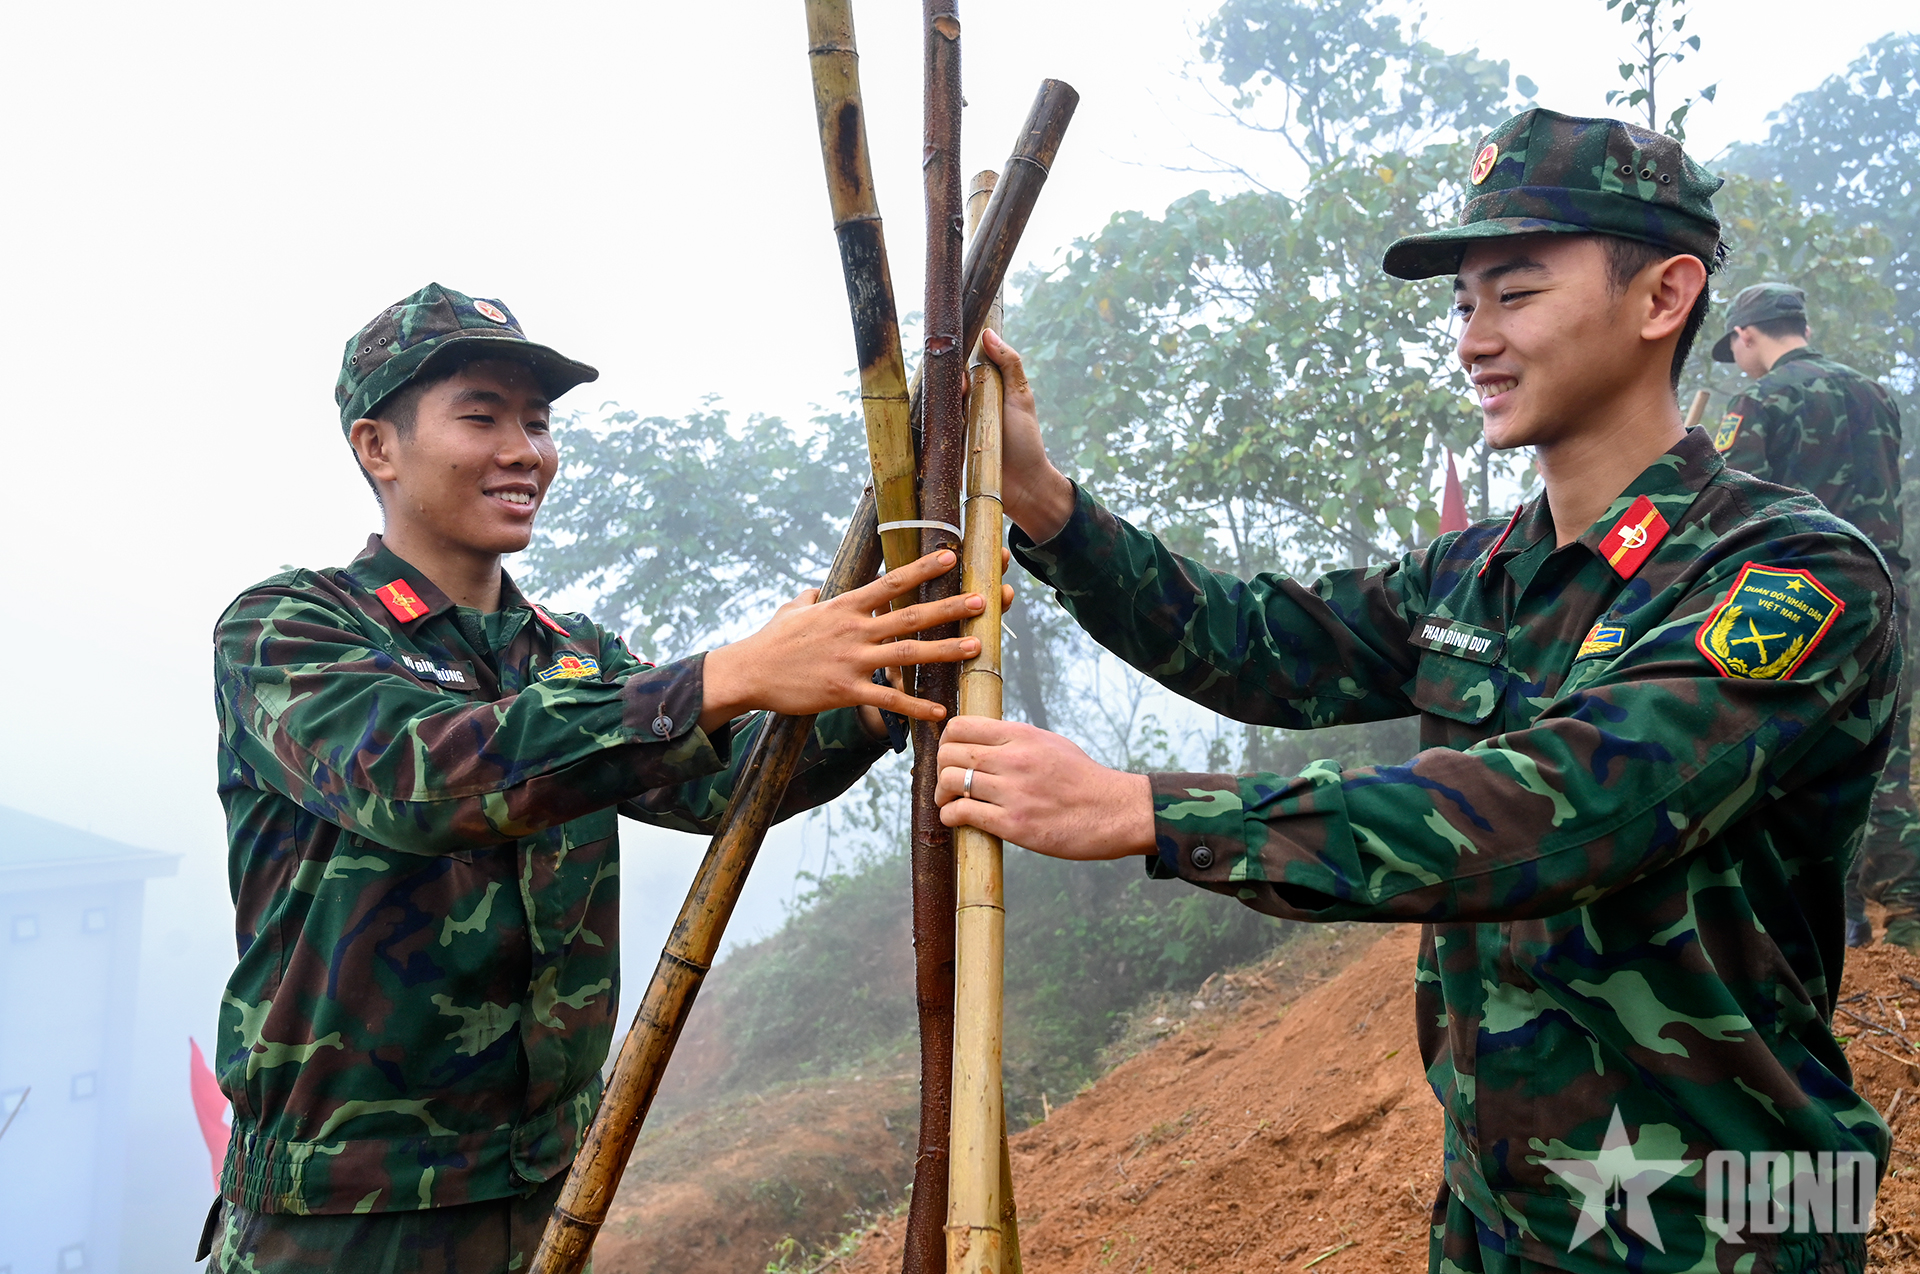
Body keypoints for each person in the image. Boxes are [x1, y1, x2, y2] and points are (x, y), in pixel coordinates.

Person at [941, 112, 1899, 1272]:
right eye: (1463, 305)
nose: (1474, 341)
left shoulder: (1794, 573)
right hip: (1505, 1209)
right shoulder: (1475, 574)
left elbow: (1567, 804)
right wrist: (1045, 500)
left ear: (1662, 298)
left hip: (1719, 1225)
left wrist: (1148, 811)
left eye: (1517, 293)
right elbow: (1252, 643)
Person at [203, 283, 1000, 1272]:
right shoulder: (288, 629)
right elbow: (420, 778)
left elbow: (722, 787)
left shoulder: (571, 655)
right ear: (379, 446)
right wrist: (731, 672)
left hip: (544, 1190)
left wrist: (871, 700)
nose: (524, 450)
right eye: (482, 415)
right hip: (338, 1217)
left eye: (537, 423)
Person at [1710, 282, 1915, 952]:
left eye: (1734, 347)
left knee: (1803, 759)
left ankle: (1836, 922)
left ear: (1747, 335)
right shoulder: (1876, 395)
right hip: (1887, 590)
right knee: (1887, 753)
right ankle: (1909, 920)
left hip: (1805, 600)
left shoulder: (1763, 399)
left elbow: (1732, 511)